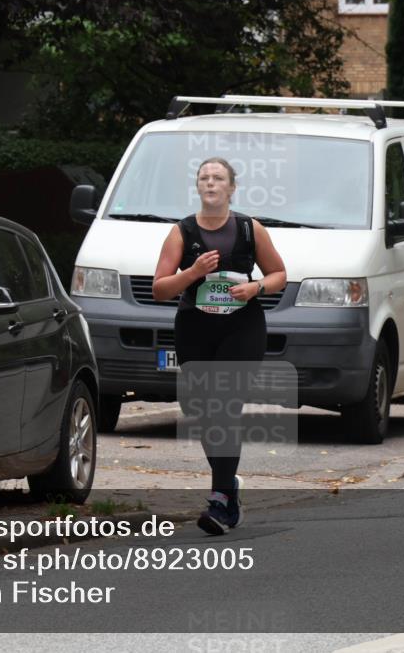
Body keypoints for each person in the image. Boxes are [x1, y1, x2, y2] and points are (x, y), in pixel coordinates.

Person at [152, 157, 286, 534]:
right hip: (195, 327)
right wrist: (193, 273)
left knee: (223, 407)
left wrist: (255, 287)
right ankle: (229, 487)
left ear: (231, 188)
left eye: (218, 178)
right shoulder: (182, 232)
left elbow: (280, 274)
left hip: (242, 328)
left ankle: (220, 501)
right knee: (203, 412)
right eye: (204, 178)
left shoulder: (248, 229)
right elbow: (160, 288)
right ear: (198, 187)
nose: (211, 183)